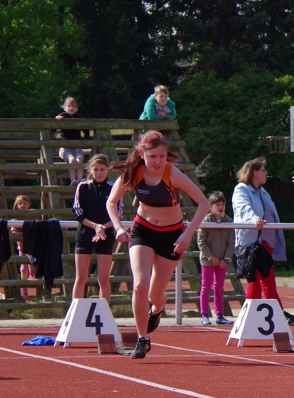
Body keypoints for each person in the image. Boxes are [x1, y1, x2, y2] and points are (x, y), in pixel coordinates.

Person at [106, 130, 209, 359]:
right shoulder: (134, 173)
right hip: (143, 231)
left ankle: (158, 308)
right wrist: (119, 228)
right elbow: (112, 202)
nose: (157, 161)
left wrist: (186, 235)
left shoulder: (173, 174)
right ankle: (142, 339)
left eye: (161, 156)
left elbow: (204, 204)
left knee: (154, 294)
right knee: (140, 286)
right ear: (142, 154)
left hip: (172, 236)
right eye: (152, 156)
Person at [232, 157, 294, 325]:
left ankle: (276, 312)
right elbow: (243, 209)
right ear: (255, 172)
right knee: (255, 279)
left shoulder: (263, 192)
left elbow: (270, 213)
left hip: (266, 241)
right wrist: (254, 220)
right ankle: (251, 317)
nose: (266, 173)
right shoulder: (241, 189)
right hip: (252, 241)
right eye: (263, 170)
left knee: (267, 278)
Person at [72, 154, 124, 304]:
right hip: (85, 235)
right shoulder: (82, 187)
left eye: (102, 169)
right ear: (91, 170)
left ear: (107, 170)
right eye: (96, 170)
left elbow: (118, 213)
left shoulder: (114, 187)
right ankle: (76, 312)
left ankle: (104, 312)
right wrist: (95, 226)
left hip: (105, 235)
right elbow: (77, 212)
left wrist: (103, 227)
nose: (99, 173)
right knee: (81, 277)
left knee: (103, 278)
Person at [197, 191, 235, 326]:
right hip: (208, 260)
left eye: (223, 204)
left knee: (219, 287)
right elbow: (201, 242)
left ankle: (219, 315)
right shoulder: (205, 220)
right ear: (211, 207)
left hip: (222, 261)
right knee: (206, 286)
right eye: (217, 204)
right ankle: (205, 315)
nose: (221, 207)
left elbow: (231, 242)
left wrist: (226, 259)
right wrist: (210, 257)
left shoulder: (229, 221)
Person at [55, 97, 89, 184]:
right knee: (72, 160)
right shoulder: (63, 116)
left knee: (79, 159)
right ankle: (73, 180)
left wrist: (86, 138)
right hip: (65, 147)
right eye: (69, 106)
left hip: (76, 146)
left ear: (76, 109)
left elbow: (86, 128)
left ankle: (80, 180)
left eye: (74, 106)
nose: (71, 108)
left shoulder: (79, 118)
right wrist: (57, 120)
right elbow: (52, 128)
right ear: (64, 108)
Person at [11, 195, 35, 301]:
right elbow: (14, 230)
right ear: (16, 206)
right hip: (22, 246)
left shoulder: (31, 216)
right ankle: (24, 292)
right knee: (23, 268)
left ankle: (32, 274)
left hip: (31, 245)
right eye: (20, 203)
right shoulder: (15, 218)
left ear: (29, 205)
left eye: (25, 203)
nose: (23, 205)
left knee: (32, 261)